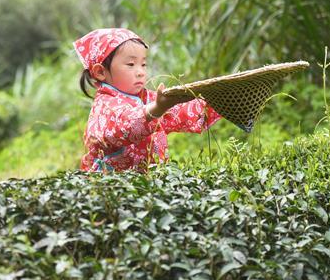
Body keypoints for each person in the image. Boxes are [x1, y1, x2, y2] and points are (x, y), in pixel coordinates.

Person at [74, 28, 221, 173]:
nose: (140, 72)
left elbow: (181, 112)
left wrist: (220, 99)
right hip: (114, 187)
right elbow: (124, 127)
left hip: (149, 184)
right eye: (131, 64)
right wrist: (156, 109)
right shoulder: (105, 106)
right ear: (100, 72)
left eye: (143, 64)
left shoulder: (148, 98)